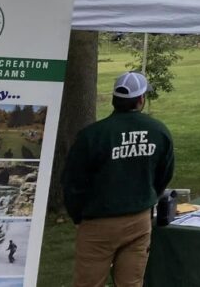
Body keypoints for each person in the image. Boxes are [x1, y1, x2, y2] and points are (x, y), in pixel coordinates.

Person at [62, 71, 174, 287]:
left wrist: (78, 216)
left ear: (115, 99)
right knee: (131, 283)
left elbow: (72, 182)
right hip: (139, 220)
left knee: (89, 283)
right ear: (141, 100)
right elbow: (164, 174)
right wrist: (148, 196)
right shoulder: (158, 131)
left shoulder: (92, 135)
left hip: (98, 222)